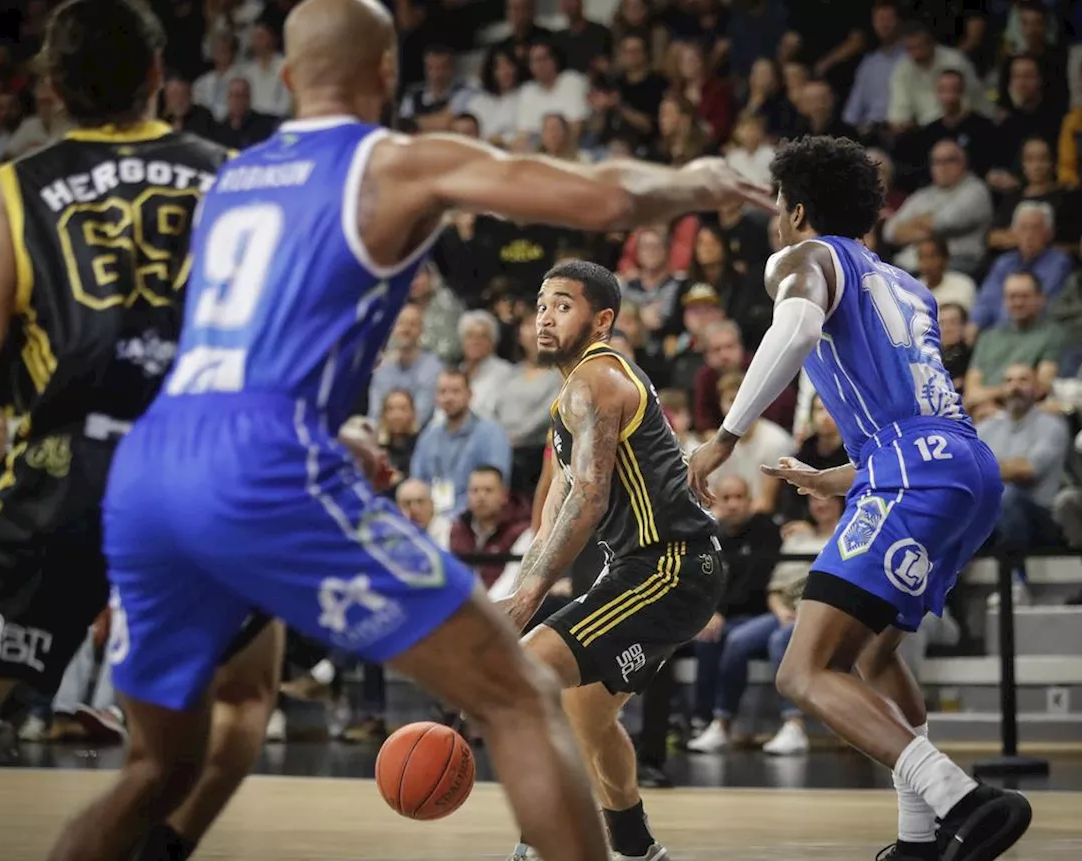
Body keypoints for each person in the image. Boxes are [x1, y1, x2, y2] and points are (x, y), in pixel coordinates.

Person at [42, 0, 765, 859]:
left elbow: (210, 339)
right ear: (387, 71)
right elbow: (603, 195)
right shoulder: (393, 159)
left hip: (152, 462)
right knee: (518, 694)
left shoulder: (233, 174)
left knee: (156, 771)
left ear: (281, 76)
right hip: (261, 461)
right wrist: (701, 179)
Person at [0, 4, 284, 861]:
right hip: (200, 466)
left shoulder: (11, 188)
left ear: (52, 90)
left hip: (68, 465)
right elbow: (273, 342)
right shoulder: (231, 177)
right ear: (159, 75)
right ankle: (153, 844)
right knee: (243, 698)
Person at [687, 135, 1032, 861]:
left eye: (780, 207)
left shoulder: (805, 258)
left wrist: (724, 436)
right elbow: (918, 422)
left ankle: (962, 800)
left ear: (800, 211)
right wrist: (837, 476)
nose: (775, 220)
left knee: (803, 670)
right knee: (875, 655)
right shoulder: (907, 285)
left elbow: (797, 326)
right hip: (965, 467)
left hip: (913, 472)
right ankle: (917, 841)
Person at [498, 261, 723, 861]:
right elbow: (560, 499)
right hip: (652, 568)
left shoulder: (594, 381)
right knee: (586, 712)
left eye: (563, 304)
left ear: (601, 320)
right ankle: (637, 847)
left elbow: (590, 497)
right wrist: (524, 584)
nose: (545, 315)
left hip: (668, 566)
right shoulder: (571, 393)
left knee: (528, 678)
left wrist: (527, 600)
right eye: (541, 303)